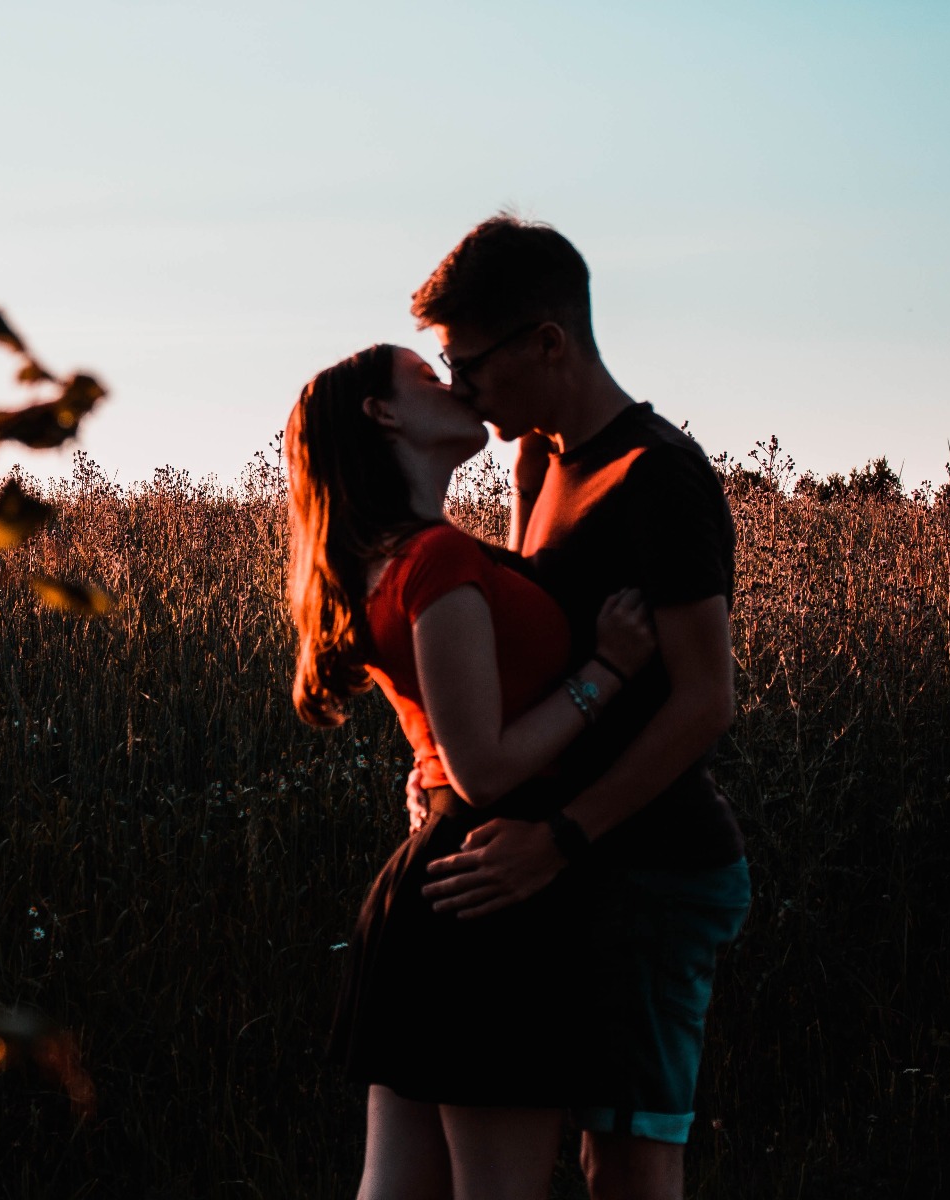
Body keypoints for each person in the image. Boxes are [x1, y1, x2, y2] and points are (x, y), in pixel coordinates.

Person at [409, 216, 751, 1200]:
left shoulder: (660, 479)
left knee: (627, 1167)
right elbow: (531, 659)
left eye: (468, 365)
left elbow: (703, 701)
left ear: (549, 343)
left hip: (654, 868)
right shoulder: (534, 465)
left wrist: (558, 839)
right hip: (573, 863)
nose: (460, 390)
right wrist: (442, 760)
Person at [284, 343, 657, 1200]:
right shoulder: (435, 563)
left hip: (435, 889)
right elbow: (486, 766)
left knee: (396, 1189)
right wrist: (610, 670)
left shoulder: (402, 557)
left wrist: (530, 474)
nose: (451, 384)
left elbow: (459, 720)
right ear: (383, 415)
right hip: (489, 892)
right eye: (426, 378)